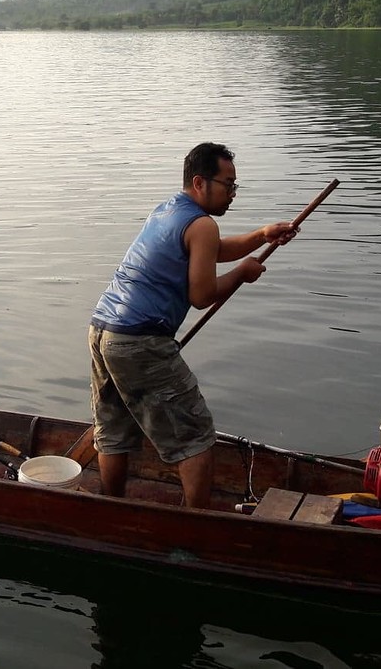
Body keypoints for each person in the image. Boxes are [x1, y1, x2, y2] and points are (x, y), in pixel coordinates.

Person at [88, 143, 299, 509]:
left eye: (236, 186)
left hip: (104, 330)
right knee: (196, 436)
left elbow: (210, 249)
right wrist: (242, 274)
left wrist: (259, 235)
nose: (232, 193)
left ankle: (111, 509)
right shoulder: (202, 224)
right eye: (227, 184)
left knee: (114, 431)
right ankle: (196, 528)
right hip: (140, 341)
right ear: (200, 182)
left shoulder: (168, 210)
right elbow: (202, 294)